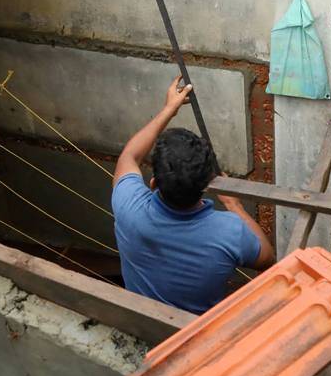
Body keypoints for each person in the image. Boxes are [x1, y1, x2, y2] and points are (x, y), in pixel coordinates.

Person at [111, 77, 275, 314]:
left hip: (141, 323)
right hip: (194, 336)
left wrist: (169, 110)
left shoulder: (129, 206)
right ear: (207, 185)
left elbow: (129, 156)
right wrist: (234, 204)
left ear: (154, 183)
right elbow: (267, 258)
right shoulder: (229, 231)